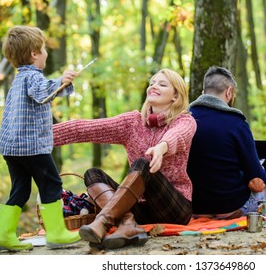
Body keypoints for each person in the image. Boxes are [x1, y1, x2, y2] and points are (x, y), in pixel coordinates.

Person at [52, 68, 196, 249]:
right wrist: (40, 137)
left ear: (175, 96)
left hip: (174, 208)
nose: (153, 86)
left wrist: (162, 147)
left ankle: (103, 221)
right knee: (93, 174)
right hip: (140, 210)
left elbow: (179, 135)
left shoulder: (184, 121)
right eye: (152, 83)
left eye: (162, 84)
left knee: (143, 163)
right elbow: (85, 129)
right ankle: (127, 224)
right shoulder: (132, 123)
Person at [0, 26, 81, 252]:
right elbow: (43, 92)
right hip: (31, 147)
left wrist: (62, 83)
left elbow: (41, 92)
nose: (46, 54)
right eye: (43, 50)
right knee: (51, 183)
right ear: (34, 53)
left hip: (12, 148)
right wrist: (62, 80)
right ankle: (57, 233)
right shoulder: (32, 76)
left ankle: (2, 235)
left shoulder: (18, 80)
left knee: (20, 189)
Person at [187, 66, 266, 219]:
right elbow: (257, 184)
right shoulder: (236, 123)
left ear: (203, 94)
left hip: (193, 209)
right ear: (229, 92)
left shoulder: (183, 121)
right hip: (230, 209)